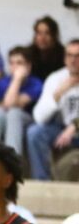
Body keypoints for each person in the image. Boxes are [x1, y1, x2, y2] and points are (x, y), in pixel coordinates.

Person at [25, 38, 79, 181]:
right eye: (69, 55)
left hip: (75, 131)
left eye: (77, 56)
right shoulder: (56, 78)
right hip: (60, 128)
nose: (73, 60)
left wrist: (74, 126)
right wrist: (58, 93)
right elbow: (39, 117)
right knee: (34, 132)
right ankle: (42, 182)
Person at [0, 46, 43, 158]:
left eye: (19, 63)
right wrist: (15, 81)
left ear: (28, 66)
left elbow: (10, 104)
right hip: (5, 117)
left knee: (14, 113)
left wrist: (17, 79)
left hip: (29, 120)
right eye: (11, 63)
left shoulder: (36, 83)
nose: (15, 67)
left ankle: (13, 160)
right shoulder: (3, 82)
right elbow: (4, 105)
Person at [27, 15, 65, 82]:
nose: (42, 38)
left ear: (54, 36)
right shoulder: (28, 53)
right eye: (39, 33)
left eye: (47, 33)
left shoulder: (63, 54)